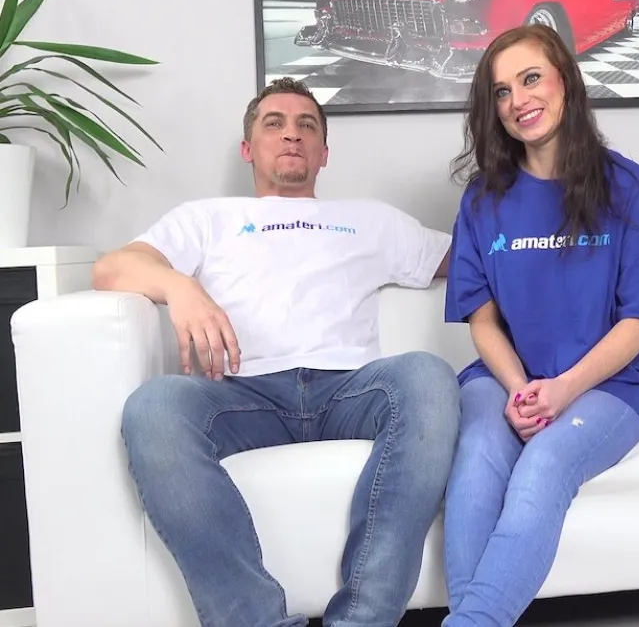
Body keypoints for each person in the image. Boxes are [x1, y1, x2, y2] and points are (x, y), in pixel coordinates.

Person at [92, 77, 460, 627]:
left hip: (350, 392)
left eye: (306, 125)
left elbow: (474, 260)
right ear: (249, 148)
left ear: (324, 153)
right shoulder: (206, 218)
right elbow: (110, 269)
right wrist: (179, 286)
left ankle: (362, 620)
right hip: (243, 394)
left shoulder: (371, 220)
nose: (292, 134)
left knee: (428, 377)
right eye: (275, 123)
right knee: (154, 406)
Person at [441, 24, 639, 627]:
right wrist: (518, 388)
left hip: (610, 387)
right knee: (477, 456)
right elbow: (482, 321)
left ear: (565, 81)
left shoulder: (628, 187)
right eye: (502, 91)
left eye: (531, 78)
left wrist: (562, 389)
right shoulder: (482, 200)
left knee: (544, 464)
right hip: (505, 378)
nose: (518, 100)